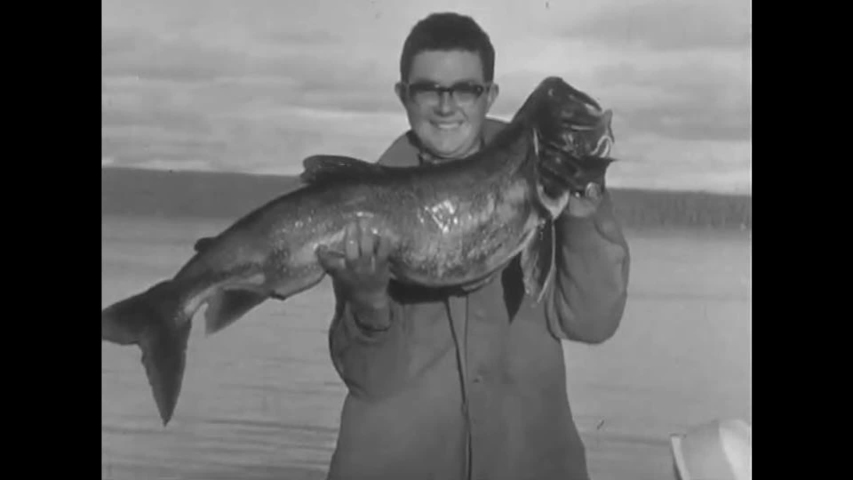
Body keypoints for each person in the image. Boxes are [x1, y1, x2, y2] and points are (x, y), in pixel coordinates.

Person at [316, 12, 631, 480]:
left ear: (490, 94)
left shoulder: (545, 183)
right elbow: (370, 380)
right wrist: (368, 302)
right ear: (403, 94)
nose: (446, 106)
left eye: (465, 89)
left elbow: (593, 321)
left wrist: (584, 207)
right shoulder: (368, 214)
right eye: (428, 89)